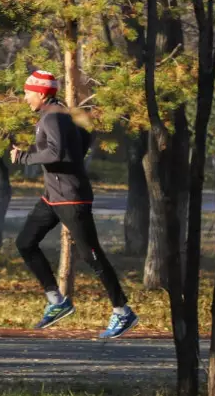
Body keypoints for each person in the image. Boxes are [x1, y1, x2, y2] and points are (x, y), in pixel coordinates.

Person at [10, 70, 138, 339]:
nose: (25, 97)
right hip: (53, 196)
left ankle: (123, 311)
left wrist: (24, 157)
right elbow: (85, 138)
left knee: (92, 255)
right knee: (25, 242)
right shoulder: (59, 114)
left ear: (41, 94)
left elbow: (55, 152)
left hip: (71, 198)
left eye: (28, 92)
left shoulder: (53, 116)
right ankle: (57, 301)